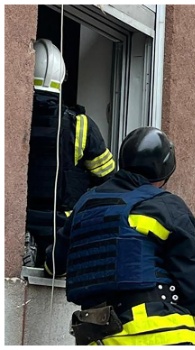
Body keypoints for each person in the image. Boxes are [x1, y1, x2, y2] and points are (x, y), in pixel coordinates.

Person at [44, 127, 195, 344]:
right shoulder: (165, 205)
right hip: (163, 332)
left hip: (99, 336)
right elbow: (192, 274)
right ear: (165, 170)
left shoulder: (84, 206)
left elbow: (54, 264)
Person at [25, 38, 115, 268]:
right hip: (60, 230)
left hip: (18, 221)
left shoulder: (13, 114)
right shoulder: (79, 125)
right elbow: (109, 178)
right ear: (62, 77)